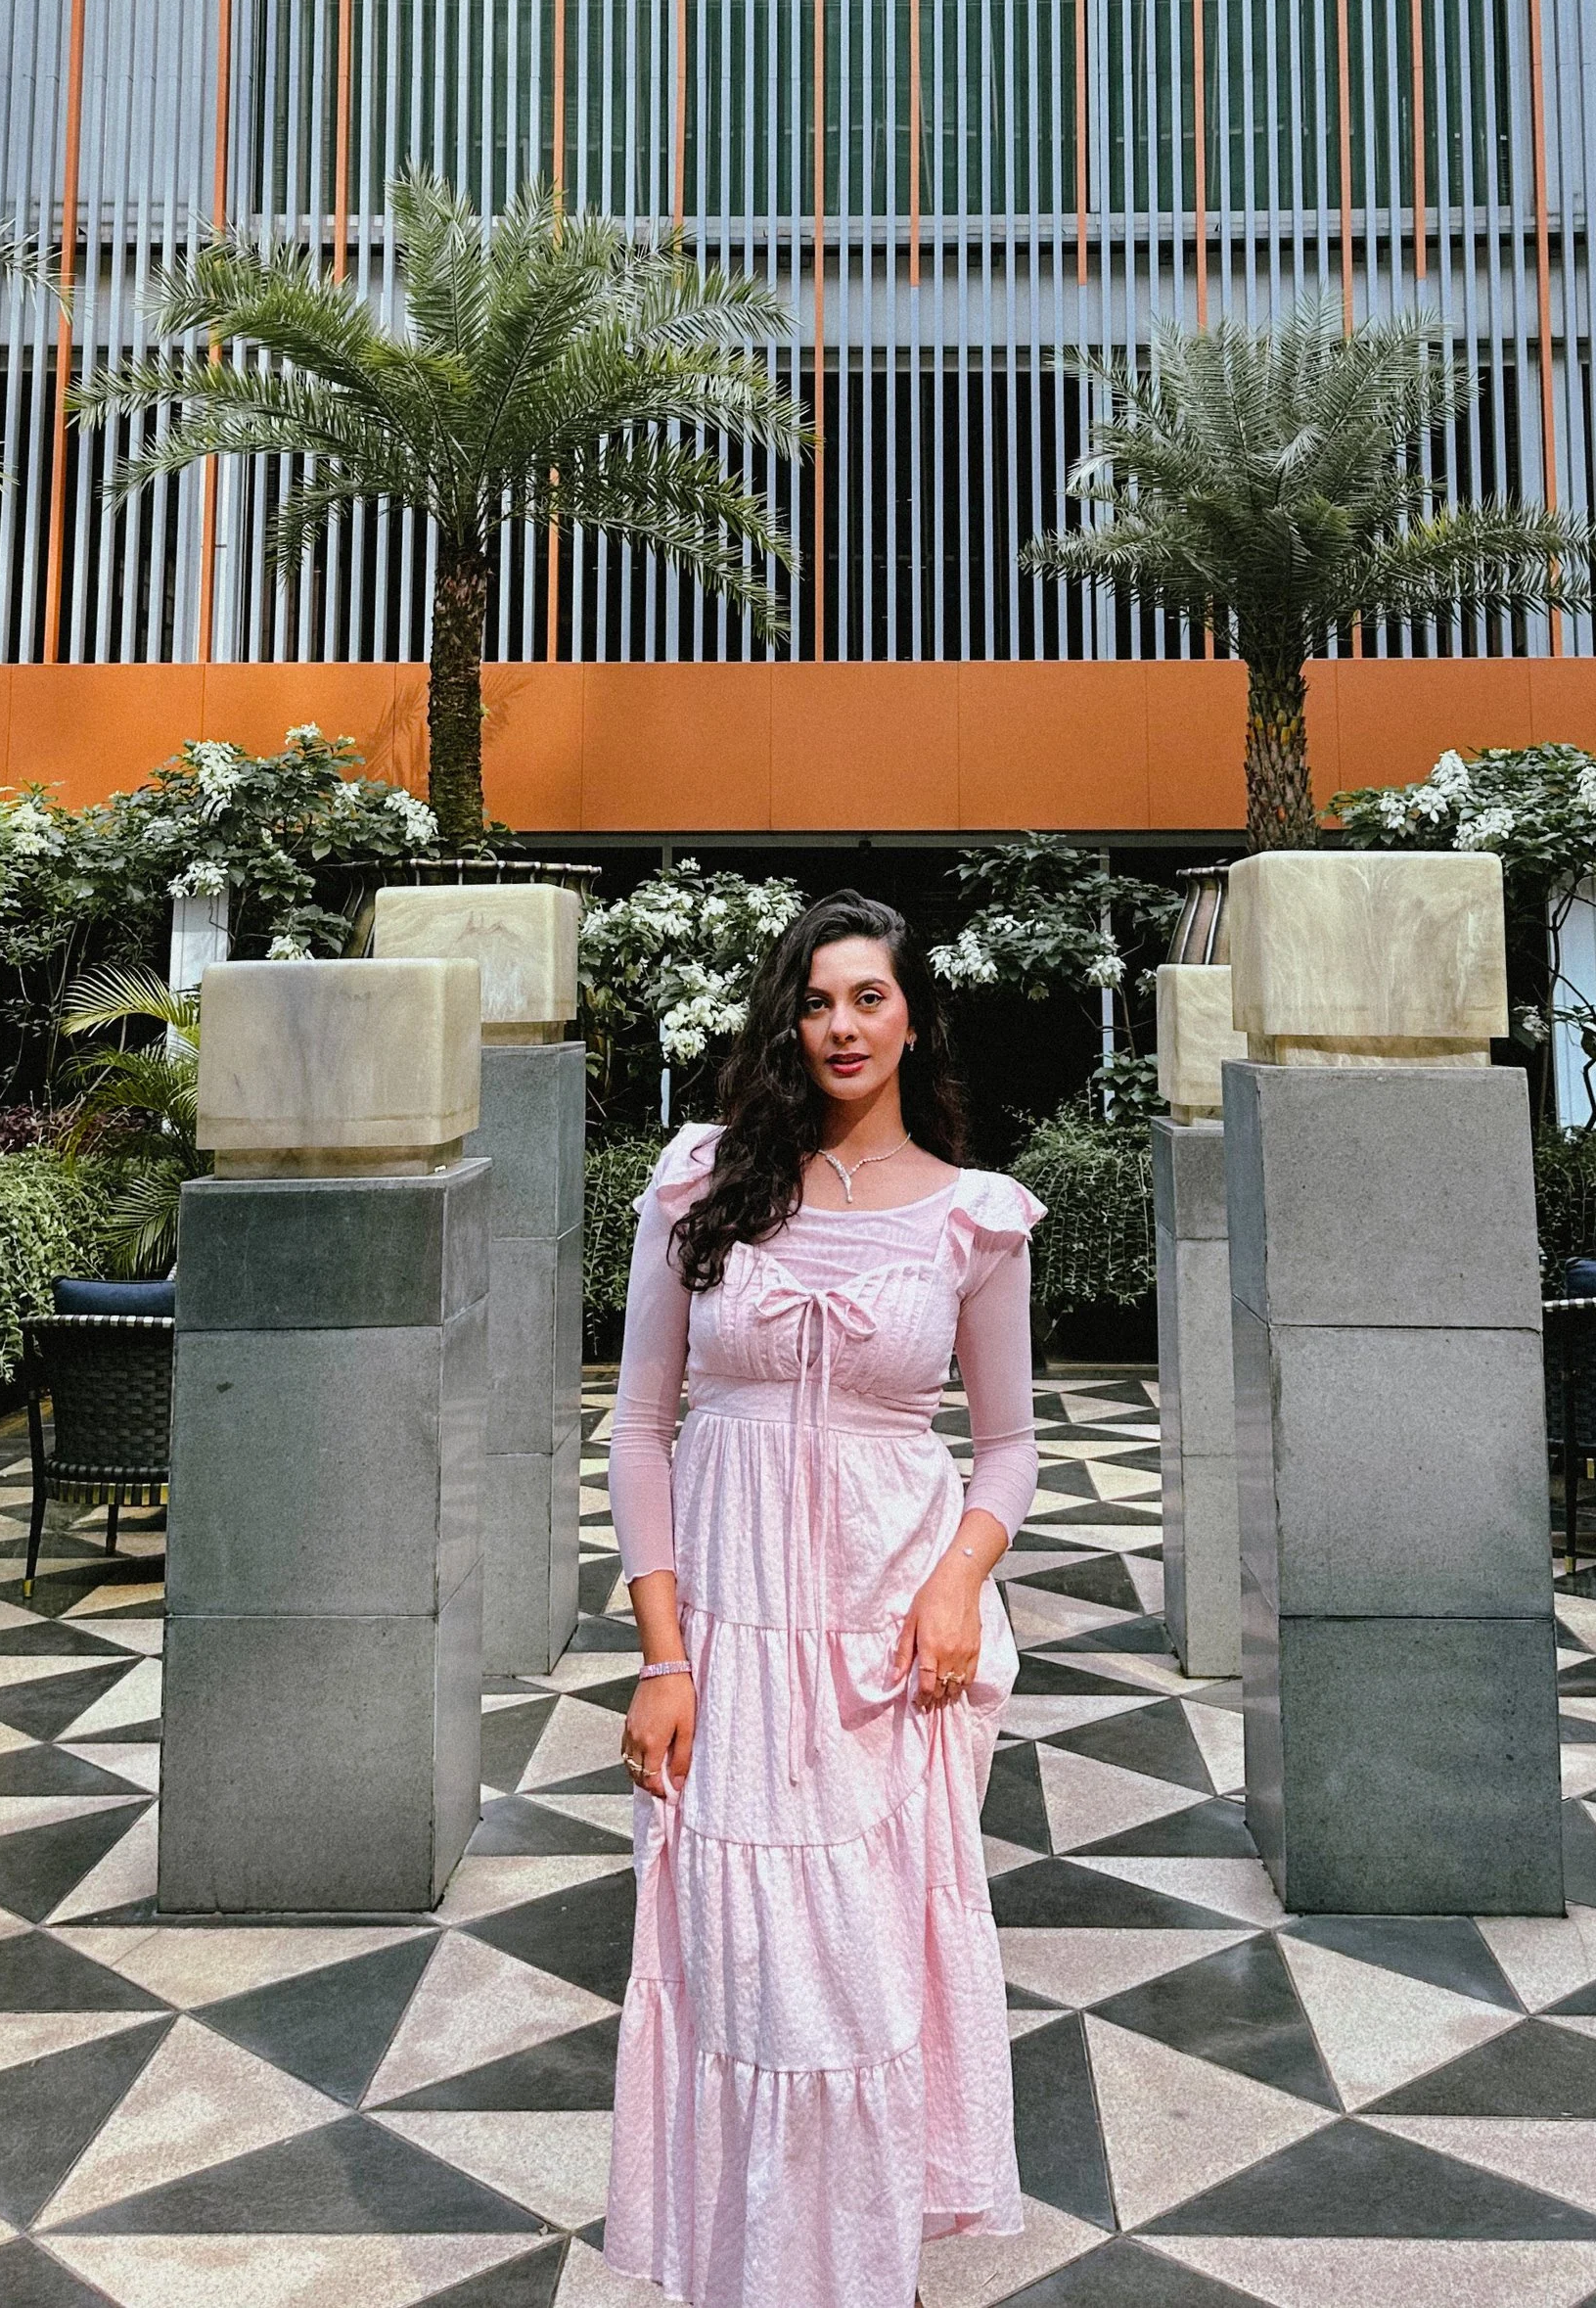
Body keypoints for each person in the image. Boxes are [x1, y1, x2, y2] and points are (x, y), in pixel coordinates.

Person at [600, 889, 1043, 2308]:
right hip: (728, 1649)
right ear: (785, 1020)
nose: (842, 1023)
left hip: (891, 1647)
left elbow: (1012, 1444)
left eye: (869, 996)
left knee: (865, 1979)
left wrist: (962, 1580)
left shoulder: (974, 1218)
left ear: (914, 1016)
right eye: (816, 998)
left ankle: (869, 2278)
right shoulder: (699, 1181)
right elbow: (637, 1426)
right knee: (738, 1976)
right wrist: (663, 1654)